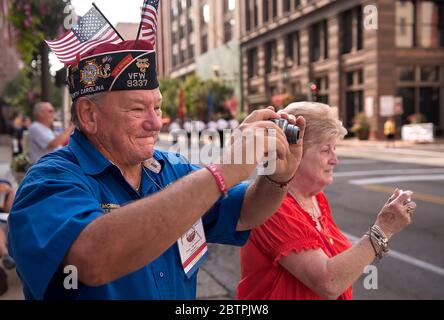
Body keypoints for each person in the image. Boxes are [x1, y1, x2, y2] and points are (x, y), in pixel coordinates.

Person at [7, 39, 306, 300]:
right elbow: (91, 260)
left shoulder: (169, 168)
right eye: (137, 109)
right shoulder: (48, 181)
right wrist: (222, 172)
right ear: (89, 115)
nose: (155, 123)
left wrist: (277, 177)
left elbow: (243, 213)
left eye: (158, 108)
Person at [237, 102, 416, 300]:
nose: (335, 159)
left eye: (334, 148)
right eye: (325, 150)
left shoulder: (315, 197)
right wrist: (383, 229)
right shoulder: (273, 207)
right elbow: (328, 282)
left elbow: (341, 267)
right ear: (293, 152)